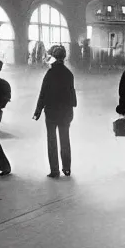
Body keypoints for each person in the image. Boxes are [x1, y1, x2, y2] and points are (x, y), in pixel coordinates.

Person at [33, 45, 77, 178]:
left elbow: (43, 93)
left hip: (51, 112)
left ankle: (54, 170)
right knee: (65, 139)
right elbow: (71, 93)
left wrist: (38, 110)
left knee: (52, 140)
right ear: (64, 57)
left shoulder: (50, 73)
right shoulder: (69, 74)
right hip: (66, 112)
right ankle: (67, 168)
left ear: (53, 57)